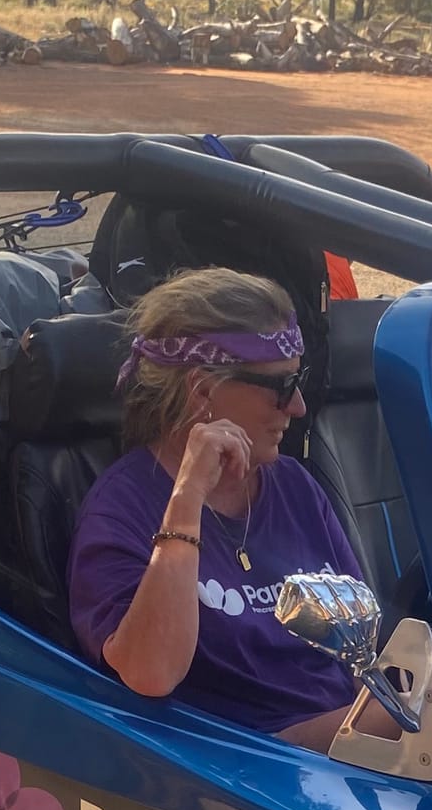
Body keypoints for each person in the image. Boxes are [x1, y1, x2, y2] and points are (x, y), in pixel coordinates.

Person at [68, 267, 368, 749]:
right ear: (202, 390)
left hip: (344, 745)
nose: (298, 408)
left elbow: (362, 649)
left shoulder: (292, 484)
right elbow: (151, 672)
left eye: (301, 380)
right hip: (247, 769)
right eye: (282, 386)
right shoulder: (120, 511)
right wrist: (187, 502)